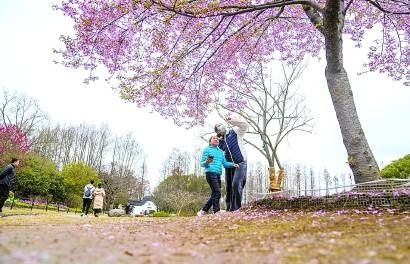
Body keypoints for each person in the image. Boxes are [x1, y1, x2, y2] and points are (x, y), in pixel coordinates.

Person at [197, 135, 238, 216]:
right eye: (214, 138)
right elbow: (202, 163)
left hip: (218, 174)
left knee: (215, 193)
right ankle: (216, 211)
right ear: (210, 141)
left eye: (217, 139)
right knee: (217, 192)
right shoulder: (207, 149)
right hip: (210, 172)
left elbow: (225, 164)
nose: (216, 139)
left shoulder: (220, 152)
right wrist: (207, 162)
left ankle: (203, 211)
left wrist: (233, 164)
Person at [215, 115, 249, 211]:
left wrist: (233, 121)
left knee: (236, 184)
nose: (221, 127)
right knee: (229, 188)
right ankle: (229, 208)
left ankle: (236, 209)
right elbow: (218, 153)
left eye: (221, 125)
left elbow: (245, 125)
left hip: (241, 162)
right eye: (218, 128)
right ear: (218, 132)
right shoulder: (221, 142)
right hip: (229, 166)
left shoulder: (236, 132)